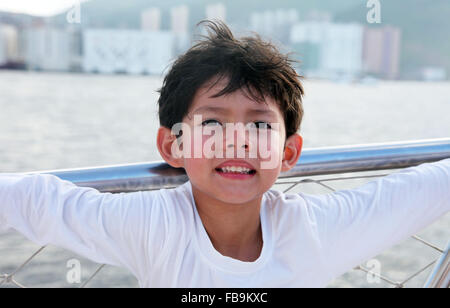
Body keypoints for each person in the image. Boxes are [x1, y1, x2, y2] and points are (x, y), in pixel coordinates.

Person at [0, 21, 449, 288]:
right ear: (172, 145)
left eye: (259, 124)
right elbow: (35, 200)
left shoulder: (314, 231)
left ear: (289, 152)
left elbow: (420, 190)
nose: (238, 141)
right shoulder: (154, 226)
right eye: (212, 123)